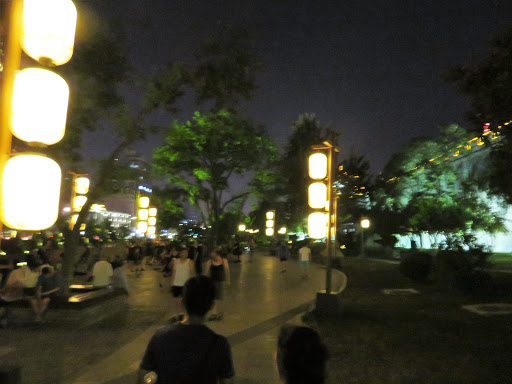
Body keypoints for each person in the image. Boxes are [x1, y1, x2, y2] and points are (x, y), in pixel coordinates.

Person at [139, 276, 234, 384]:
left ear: (182, 302)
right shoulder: (219, 344)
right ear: (211, 306)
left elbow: (143, 376)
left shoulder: (160, 337)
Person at [205, 248, 230, 321]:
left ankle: (220, 313)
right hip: (212, 281)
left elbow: (227, 271)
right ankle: (214, 314)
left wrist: (228, 280)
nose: (211, 255)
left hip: (220, 281)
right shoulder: (210, 261)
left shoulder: (223, 260)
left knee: (220, 298)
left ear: (217, 253)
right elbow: (206, 272)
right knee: (213, 298)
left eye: (213, 253)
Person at [169, 246, 195, 319]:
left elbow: (192, 273)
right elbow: (172, 271)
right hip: (176, 283)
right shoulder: (176, 261)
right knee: (176, 299)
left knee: (183, 300)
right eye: (183, 253)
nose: (184, 254)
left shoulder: (190, 262)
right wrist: (172, 282)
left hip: (185, 283)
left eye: (186, 253)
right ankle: (176, 313)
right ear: (180, 254)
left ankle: (182, 313)